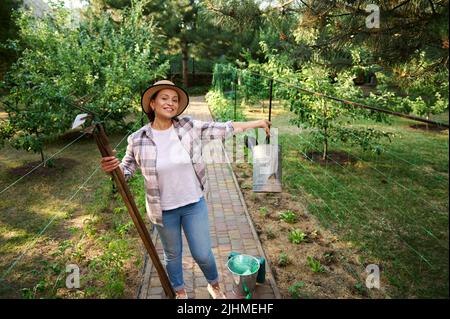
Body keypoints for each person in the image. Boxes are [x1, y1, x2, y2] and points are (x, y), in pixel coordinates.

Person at [100, 80, 270, 299]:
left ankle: (214, 285)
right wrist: (112, 169)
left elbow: (222, 128)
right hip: (163, 210)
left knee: (203, 254)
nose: (170, 103)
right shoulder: (137, 139)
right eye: (164, 98)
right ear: (152, 103)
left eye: (174, 99)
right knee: (172, 255)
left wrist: (255, 122)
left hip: (193, 204)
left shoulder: (188, 126)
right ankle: (180, 292)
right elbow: (126, 171)